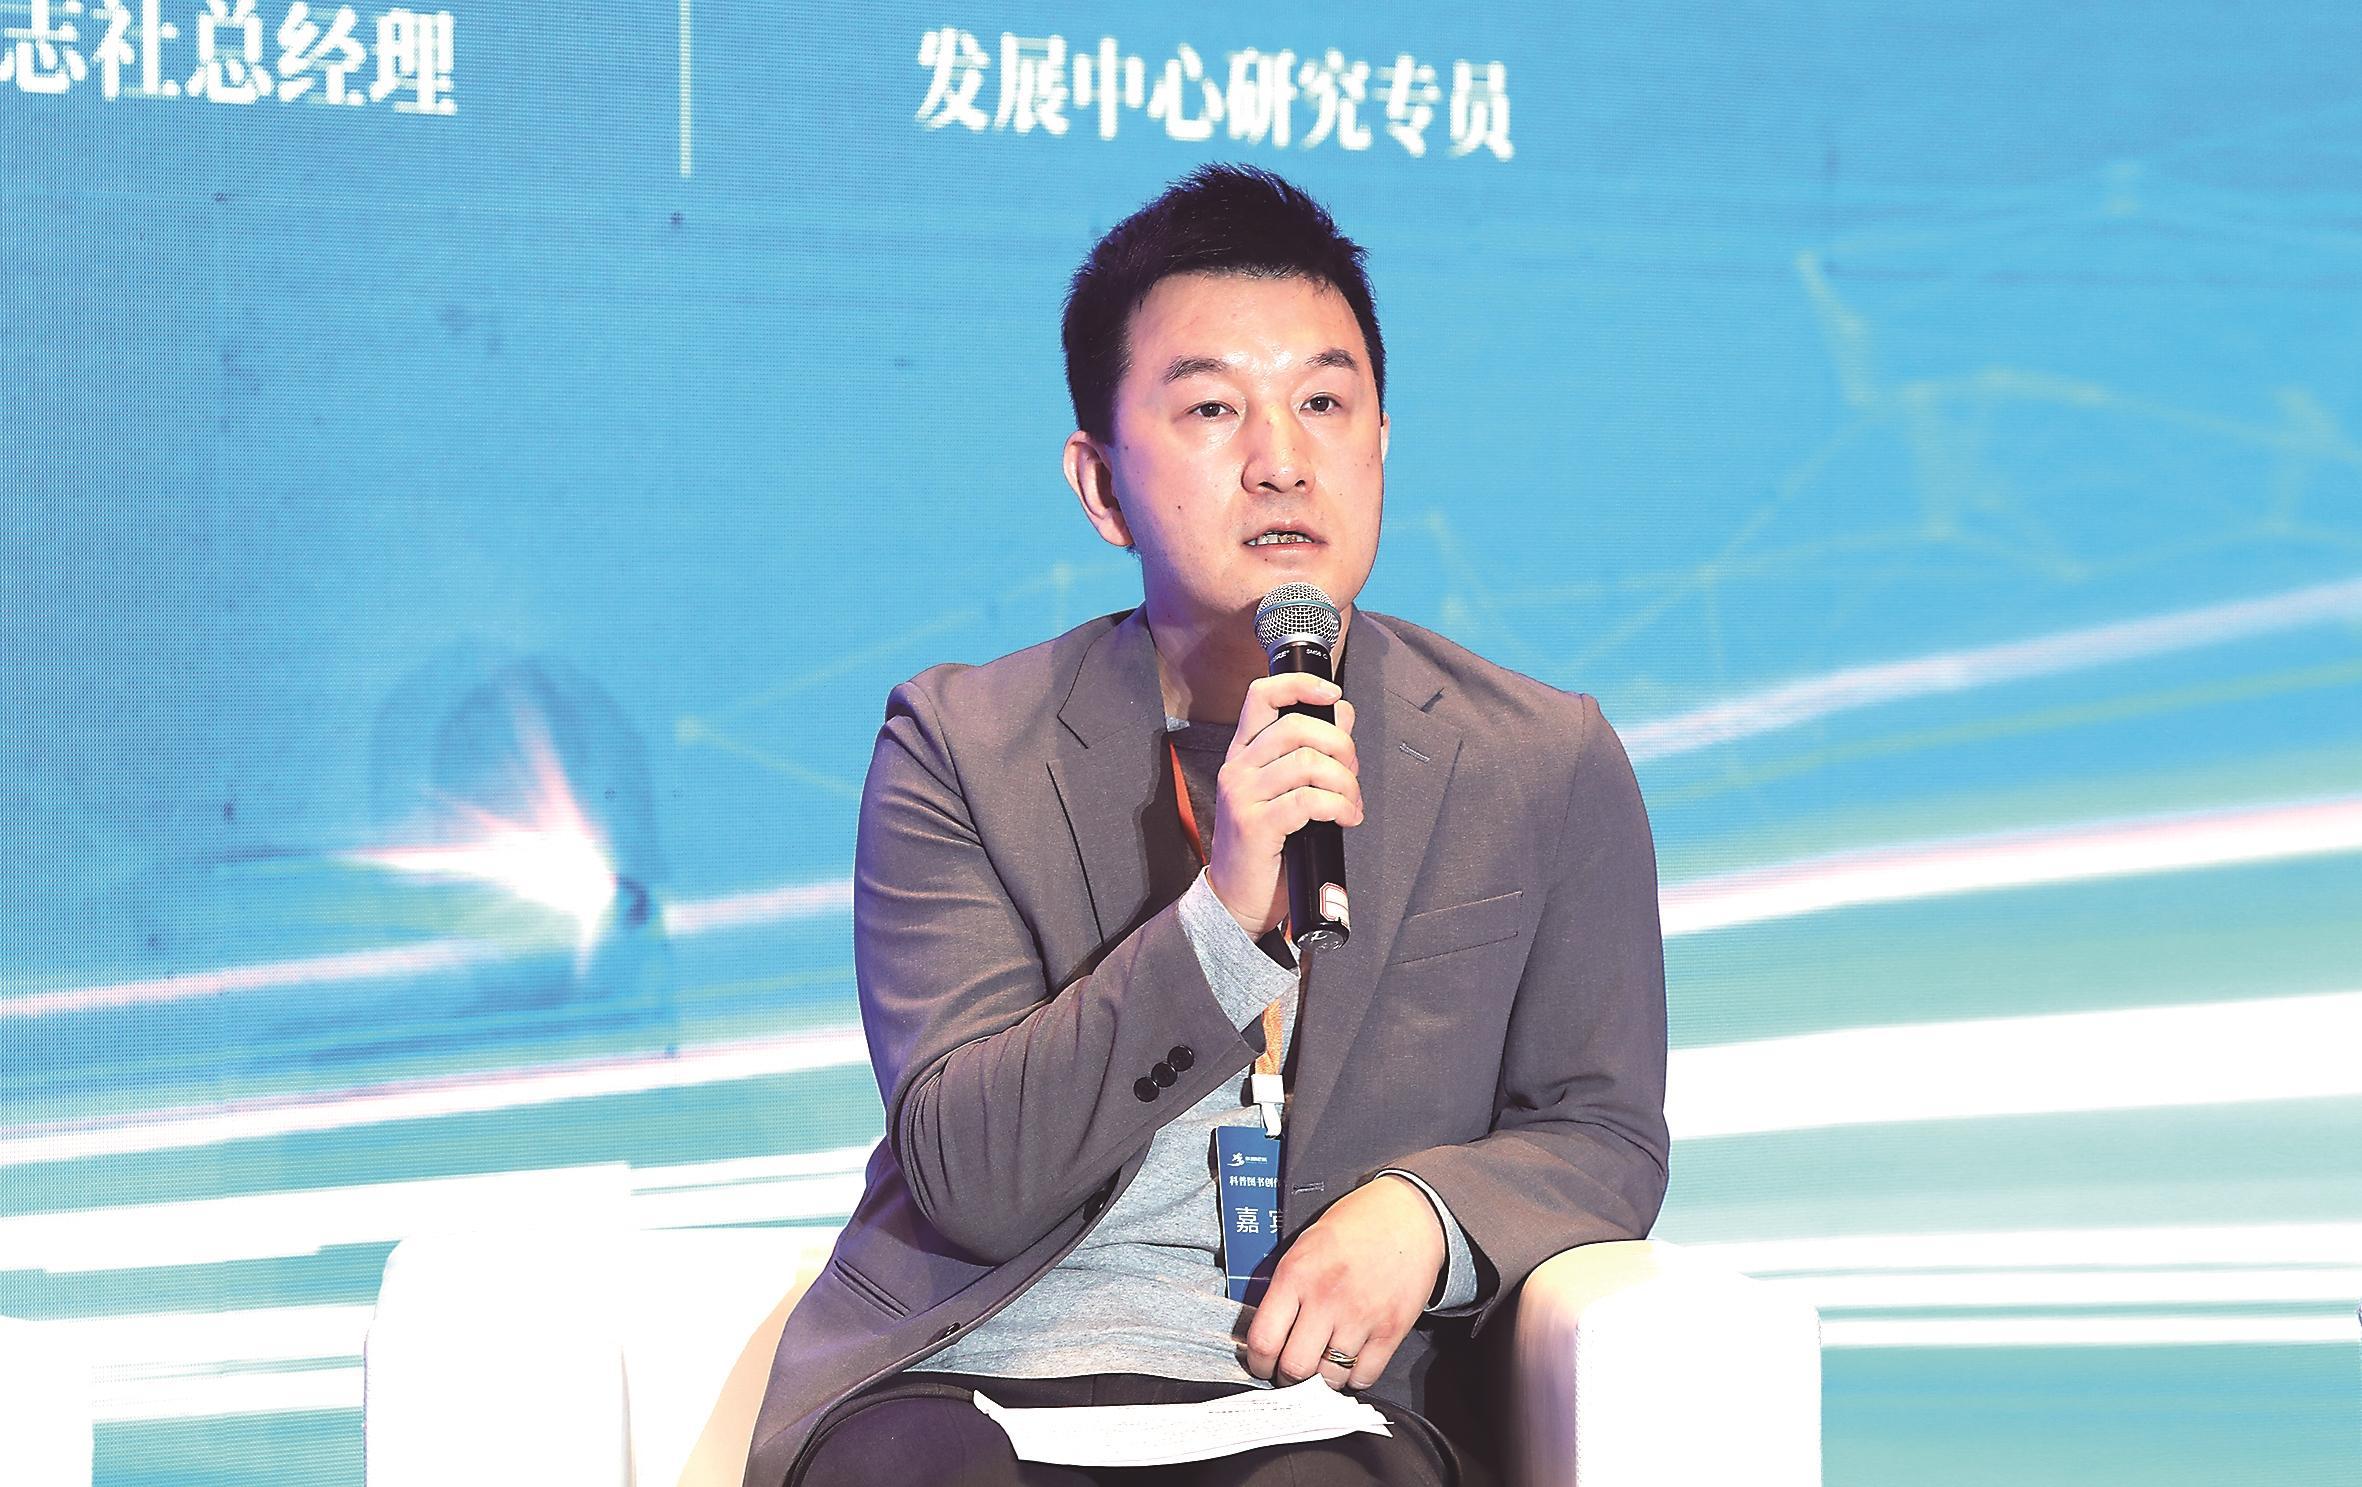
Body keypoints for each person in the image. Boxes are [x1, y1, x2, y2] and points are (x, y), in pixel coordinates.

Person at [741, 164, 1669, 1487]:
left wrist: (1425, 1216)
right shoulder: (962, 746)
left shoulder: (1538, 760)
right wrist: (1224, 915)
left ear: (1381, 443)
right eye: (1213, 408)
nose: (1280, 460)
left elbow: (1600, 1129)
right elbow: (968, 1177)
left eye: (1323, 402)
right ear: (1103, 486)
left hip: (1317, 1405)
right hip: (971, 1378)